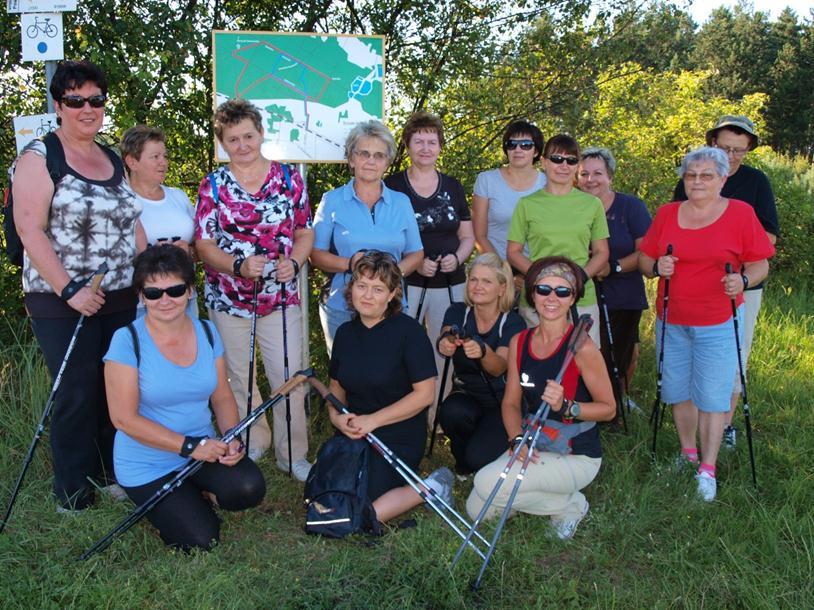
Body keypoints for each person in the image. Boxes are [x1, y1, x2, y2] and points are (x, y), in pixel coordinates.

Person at [10, 60, 146, 511]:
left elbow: (131, 223)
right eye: (76, 100)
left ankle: (113, 476)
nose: (88, 108)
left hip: (120, 295)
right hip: (59, 299)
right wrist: (71, 290)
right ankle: (71, 492)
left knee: (117, 388)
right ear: (58, 105)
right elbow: (30, 230)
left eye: (95, 100)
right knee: (75, 392)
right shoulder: (38, 157)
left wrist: (152, 276)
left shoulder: (110, 157)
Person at [104, 245, 265, 551]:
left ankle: (191, 491)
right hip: (148, 464)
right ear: (141, 296)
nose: (165, 300)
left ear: (190, 290)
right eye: (153, 293)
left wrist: (232, 438)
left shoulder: (206, 331)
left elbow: (221, 396)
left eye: (175, 290)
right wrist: (189, 447)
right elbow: (123, 419)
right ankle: (175, 498)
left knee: (249, 488)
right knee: (202, 540)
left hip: (202, 449)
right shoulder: (127, 340)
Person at [640, 146, 774, 502]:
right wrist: (656, 268)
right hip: (673, 317)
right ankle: (687, 454)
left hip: (719, 319)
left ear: (722, 179)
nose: (697, 182)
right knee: (677, 390)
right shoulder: (668, 213)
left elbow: (760, 264)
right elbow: (644, 257)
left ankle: (708, 468)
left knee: (712, 396)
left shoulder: (740, 214)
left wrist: (743, 281)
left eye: (706, 176)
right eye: (690, 175)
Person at [194, 99, 313, 480]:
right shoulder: (212, 185)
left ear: (261, 133)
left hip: (280, 298)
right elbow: (203, 243)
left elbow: (305, 231)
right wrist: (237, 266)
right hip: (229, 299)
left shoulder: (290, 179)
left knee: (289, 376)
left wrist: (294, 262)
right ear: (223, 143)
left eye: (248, 135)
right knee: (237, 376)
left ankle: (292, 453)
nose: (242, 144)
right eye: (233, 139)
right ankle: (254, 439)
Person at [465, 256, 615, 539]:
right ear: (532, 294)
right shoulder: (519, 341)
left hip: (577, 455)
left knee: (485, 482)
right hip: (535, 444)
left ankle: (573, 504)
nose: (552, 298)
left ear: (572, 299)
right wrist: (516, 439)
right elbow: (510, 403)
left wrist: (567, 406)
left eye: (562, 291)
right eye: (544, 289)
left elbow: (608, 409)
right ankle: (552, 502)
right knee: (477, 509)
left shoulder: (582, 347)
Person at [673, 116, 780, 450]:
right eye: (725, 148)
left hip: (742, 283)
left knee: (735, 355)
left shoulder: (756, 182)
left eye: (739, 150)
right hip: (693, 285)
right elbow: (676, 223)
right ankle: (692, 429)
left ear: (748, 150)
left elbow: (770, 236)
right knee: (689, 356)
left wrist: (730, 236)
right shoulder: (692, 177)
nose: (731, 156)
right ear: (712, 143)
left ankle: (726, 424)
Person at [328, 251, 453, 523]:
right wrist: (337, 419)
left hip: (398, 433)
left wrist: (373, 421)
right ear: (351, 289)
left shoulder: (409, 332)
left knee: (362, 514)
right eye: (361, 286)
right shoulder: (345, 334)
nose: (368, 295)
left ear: (392, 294)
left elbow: (425, 395)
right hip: (355, 431)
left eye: (378, 289)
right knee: (328, 497)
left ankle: (433, 487)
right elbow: (335, 389)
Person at [384, 111, 475, 419]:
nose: (425, 147)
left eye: (432, 142)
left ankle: (437, 417)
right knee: (400, 349)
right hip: (404, 283)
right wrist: (412, 263)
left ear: (440, 147)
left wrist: (458, 258)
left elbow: (467, 235)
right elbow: (382, 237)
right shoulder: (392, 186)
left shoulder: (453, 185)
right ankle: (402, 415)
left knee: (445, 349)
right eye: (418, 141)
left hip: (449, 284)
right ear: (407, 145)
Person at [311, 120, 423, 353]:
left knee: (391, 375)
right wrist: (350, 263)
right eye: (364, 153)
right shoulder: (332, 200)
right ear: (351, 159)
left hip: (392, 305)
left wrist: (389, 277)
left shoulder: (401, 203)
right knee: (345, 377)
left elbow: (417, 253)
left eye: (379, 155)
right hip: (343, 308)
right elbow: (315, 255)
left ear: (387, 162)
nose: (371, 161)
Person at [507, 134, 609, 341]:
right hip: (538, 295)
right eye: (556, 159)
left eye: (571, 160)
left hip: (581, 298)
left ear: (576, 166)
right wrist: (543, 277)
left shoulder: (592, 204)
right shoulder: (527, 204)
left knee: (582, 366)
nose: (564, 165)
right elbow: (513, 252)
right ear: (544, 162)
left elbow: (602, 252)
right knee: (538, 366)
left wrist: (579, 278)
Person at [436, 253, 525, 476]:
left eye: (487, 281)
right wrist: (445, 343)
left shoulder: (513, 322)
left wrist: (483, 351)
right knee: (450, 411)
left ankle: (480, 454)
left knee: (478, 459)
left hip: (503, 402)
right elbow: (446, 335)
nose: (477, 286)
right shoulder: (457, 311)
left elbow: (499, 367)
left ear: (502, 288)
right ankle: (464, 462)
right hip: (468, 396)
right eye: (473, 280)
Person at [577, 147, 651, 402]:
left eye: (598, 173)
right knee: (590, 354)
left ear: (610, 176)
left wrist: (614, 266)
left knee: (623, 354)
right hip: (583, 293)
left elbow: (646, 252)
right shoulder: (572, 207)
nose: (590, 179)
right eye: (584, 173)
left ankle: (618, 404)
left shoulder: (631, 207)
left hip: (624, 294)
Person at [120, 124, 198, 317]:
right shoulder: (119, 202)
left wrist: (188, 251)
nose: (163, 162)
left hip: (184, 298)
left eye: (165, 156)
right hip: (141, 304)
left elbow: (203, 247)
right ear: (132, 162)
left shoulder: (178, 197)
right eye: (155, 157)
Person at [472, 120, 547, 263]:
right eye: (512, 144)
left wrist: (530, 273)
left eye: (525, 145)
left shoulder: (547, 183)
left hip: (536, 271)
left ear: (536, 151)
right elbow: (478, 235)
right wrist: (501, 270)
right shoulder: (486, 180)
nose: (518, 149)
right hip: (492, 269)